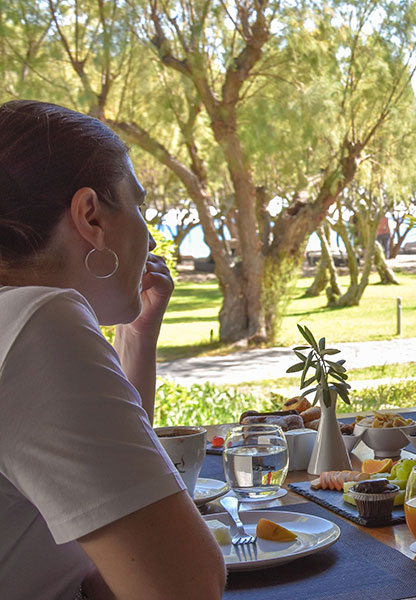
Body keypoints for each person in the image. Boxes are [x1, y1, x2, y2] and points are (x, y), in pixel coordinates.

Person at [0, 100, 225, 599]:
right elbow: (186, 587)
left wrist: (137, 336)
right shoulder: (36, 324)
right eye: (139, 205)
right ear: (91, 217)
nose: (147, 232)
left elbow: (114, 508)